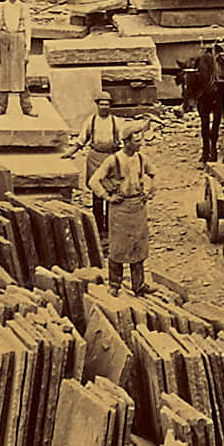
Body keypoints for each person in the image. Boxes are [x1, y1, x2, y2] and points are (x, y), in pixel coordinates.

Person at [90, 130, 156, 296]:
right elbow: (94, 181)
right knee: (117, 248)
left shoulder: (141, 158)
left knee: (138, 247)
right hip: (120, 209)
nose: (140, 143)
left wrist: (150, 191)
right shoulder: (113, 160)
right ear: (126, 142)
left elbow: (154, 174)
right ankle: (114, 285)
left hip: (138, 208)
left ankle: (139, 285)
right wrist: (107, 197)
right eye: (136, 140)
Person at [65, 90, 129, 238]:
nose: (104, 107)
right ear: (97, 105)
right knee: (97, 194)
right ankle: (98, 229)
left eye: (107, 105)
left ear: (110, 106)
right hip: (94, 157)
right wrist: (69, 153)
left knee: (113, 191)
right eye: (101, 104)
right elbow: (81, 141)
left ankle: (112, 228)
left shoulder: (116, 122)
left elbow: (124, 142)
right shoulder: (91, 121)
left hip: (111, 157)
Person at [0, 0, 35, 118]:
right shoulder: (1, 7)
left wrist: (27, 51)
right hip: (4, 41)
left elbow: (28, 29)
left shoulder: (23, 7)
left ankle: (27, 107)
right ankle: (1, 106)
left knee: (21, 74)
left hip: (18, 39)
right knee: (2, 74)